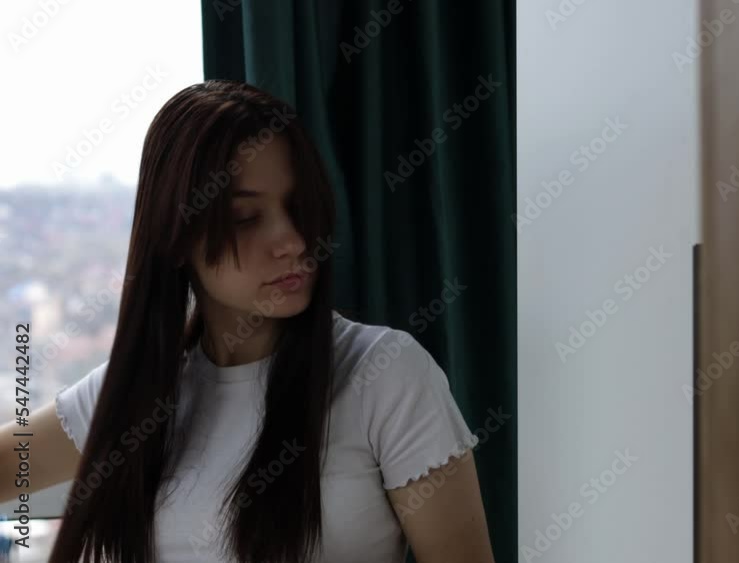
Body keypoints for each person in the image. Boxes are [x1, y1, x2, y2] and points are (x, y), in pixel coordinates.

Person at [0, 80, 494, 562]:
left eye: (298, 207)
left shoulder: (385, 373)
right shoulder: (136, 395)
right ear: (176, 237)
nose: (293, 241)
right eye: (245, 218)